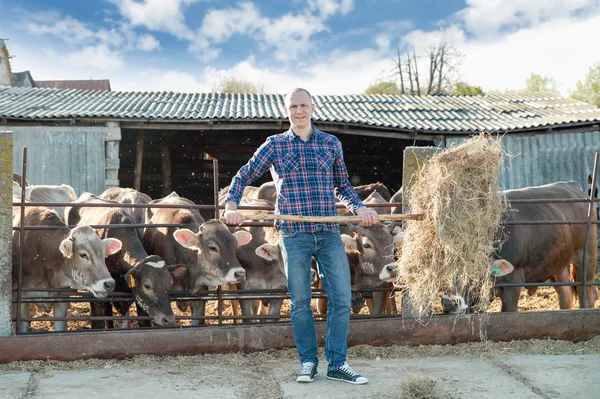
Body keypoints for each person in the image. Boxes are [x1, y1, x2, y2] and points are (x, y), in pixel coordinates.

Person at [224, 88, 378, 385]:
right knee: (299, 301)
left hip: (328, 233)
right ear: (286, 110)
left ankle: (337, 363)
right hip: (293, 235)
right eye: (293, 106)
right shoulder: (275, 145)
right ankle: (308, 362)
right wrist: (231, 204)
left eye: (303, 105)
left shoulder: (331, 143)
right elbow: (242, 176)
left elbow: (342, 186)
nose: (299, 110)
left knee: (342, 298)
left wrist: (359, 207)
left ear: (312, 108)